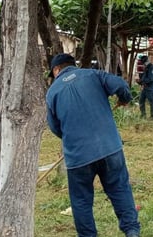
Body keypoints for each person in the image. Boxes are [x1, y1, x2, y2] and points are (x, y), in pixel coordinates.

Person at [45, 53, 140, 237]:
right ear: (74, 65)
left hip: (78, 158)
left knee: (81, 201)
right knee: (120, 189)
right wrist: (125, 98)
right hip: (110, 148)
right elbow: (120, 85)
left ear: (56, 70)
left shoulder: (52, 92)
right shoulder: (93, 75)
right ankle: (132, 231)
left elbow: (55, 127)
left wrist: (71, 137)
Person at [137, 55, 153, 119]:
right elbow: (145, 77)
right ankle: (143, 115)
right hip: (145, 87)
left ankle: (152, 116)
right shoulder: (146, 66)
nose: (140, 62)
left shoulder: (150, 67)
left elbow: (151, 78)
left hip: (150, 88)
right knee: (141, 100)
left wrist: (142, 82)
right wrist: (140, 81)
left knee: (152, 101)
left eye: (141, 61)